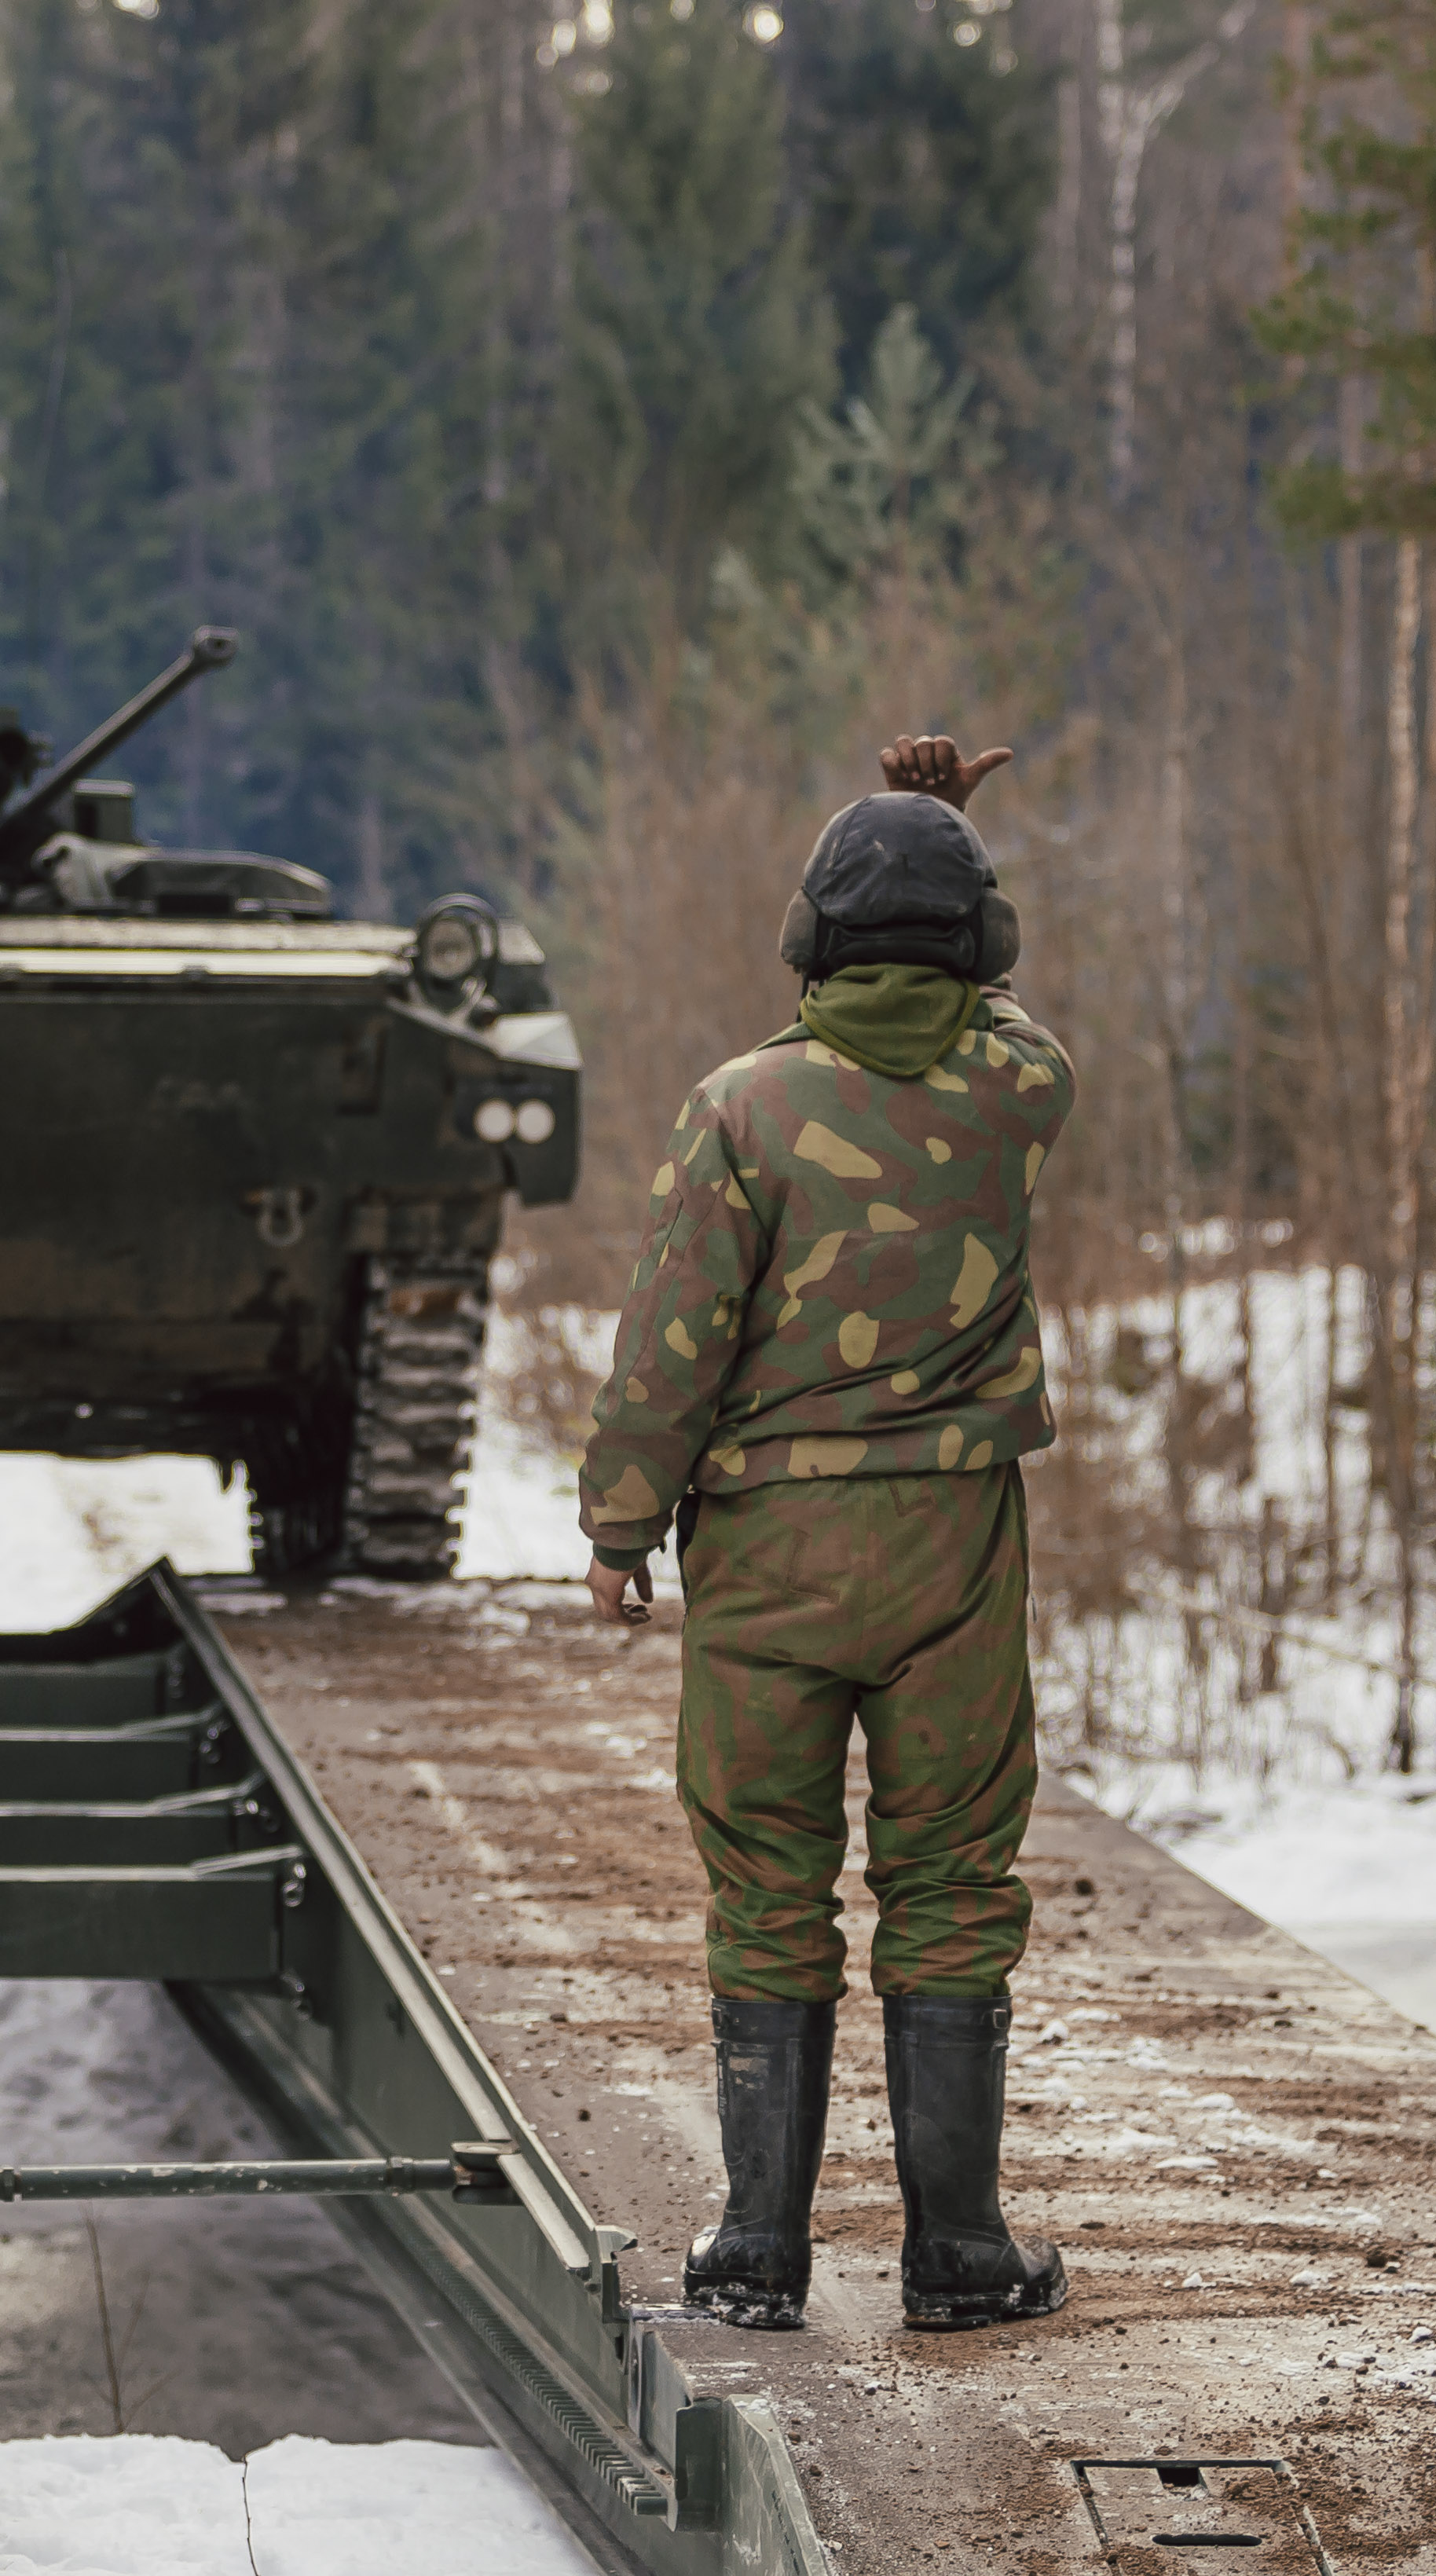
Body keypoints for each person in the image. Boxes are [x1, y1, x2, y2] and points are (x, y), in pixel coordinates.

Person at [575, 734, 1074, 2333]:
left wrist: (619, 1517)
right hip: (949, 1546)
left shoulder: (737, 1108)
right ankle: (956, 2257)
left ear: (806, 940)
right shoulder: (1015, 1088)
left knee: (765, 1888)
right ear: (977, 944)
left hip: (765, 1559)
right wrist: (946, 826)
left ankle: (752, 2254)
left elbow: (670, 1337)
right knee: (946, 1883)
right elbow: (989, 1008)